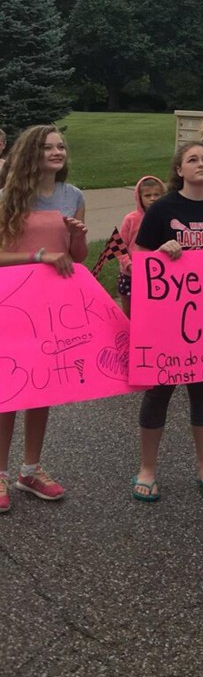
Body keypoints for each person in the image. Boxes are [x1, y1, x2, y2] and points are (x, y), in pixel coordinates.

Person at [131, 142, 203, 503]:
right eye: (192, 159)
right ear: (179, 169)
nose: (201, 164)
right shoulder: (163, 209)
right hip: (168, 323)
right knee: (158, 391)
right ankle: (147, 469)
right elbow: (140, 255)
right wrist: (161, 252)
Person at [0, 125, 88, 513]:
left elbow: (78, 257)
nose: (57, 152)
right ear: (31, 153)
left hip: (54, 305)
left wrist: (78, 236)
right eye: (48, 147)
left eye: (61, 146)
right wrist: (38, 256)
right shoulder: (7, 197)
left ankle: (30, 469)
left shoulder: (74, 196)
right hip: (13, 303)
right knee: (8, 391)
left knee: (42, 389)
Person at [116, 175, 166, 315]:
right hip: (130, 275)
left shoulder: (166, 218)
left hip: (157, 275)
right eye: (147, 195)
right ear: (139, 197)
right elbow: (118, 246)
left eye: (157, 195)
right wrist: (129, 265)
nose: (152, 198)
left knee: (152, 313)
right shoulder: (130, 219)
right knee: (129, 314)